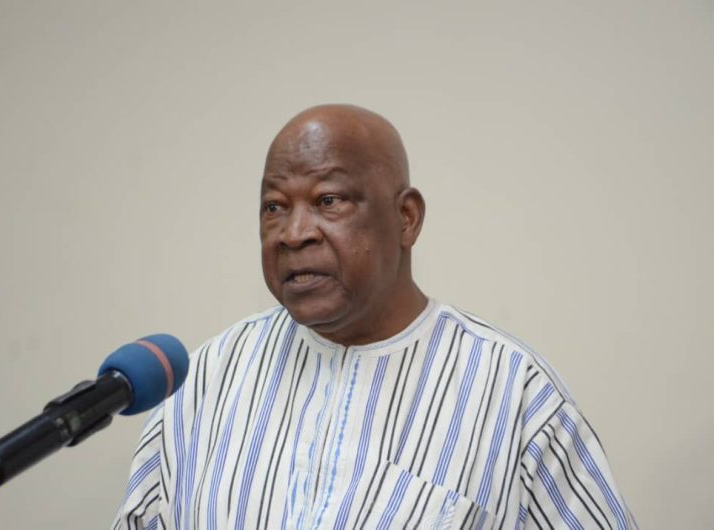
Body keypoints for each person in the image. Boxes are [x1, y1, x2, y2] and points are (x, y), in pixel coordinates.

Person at [111, 105, 637, 529]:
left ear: (406, 218)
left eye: (328, 200)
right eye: (274, 207)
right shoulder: (206, 380)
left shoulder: (514, 394)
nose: (294, 233)